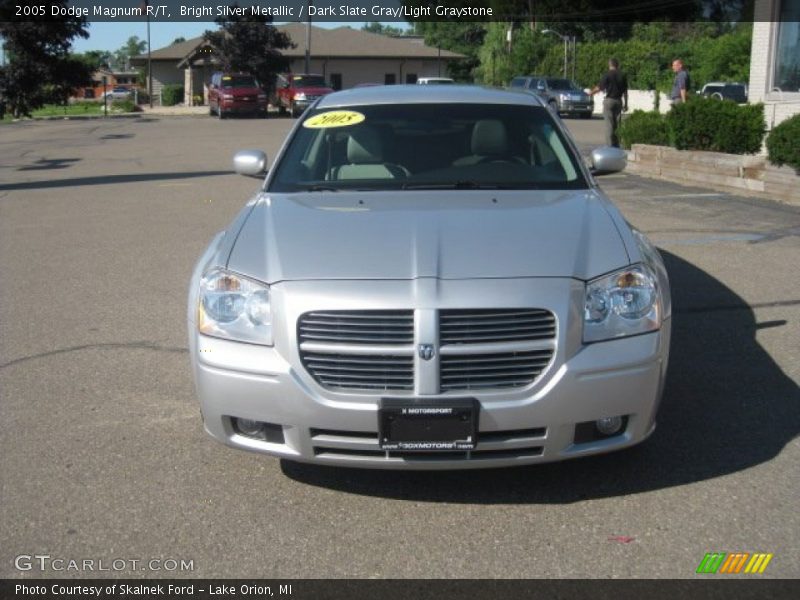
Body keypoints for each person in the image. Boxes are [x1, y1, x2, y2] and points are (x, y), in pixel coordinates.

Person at [590, 58, 628, 148]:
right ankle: (617, 145)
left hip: (609, 101)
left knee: (609, 125)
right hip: (619, 101)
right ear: (617, 65)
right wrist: (626, 104)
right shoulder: (622, 75)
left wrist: (591, 93)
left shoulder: (607, 75)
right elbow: (626, 91)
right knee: (617, 124)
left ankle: (610, 146)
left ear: (610, 65)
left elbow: (599, 87)